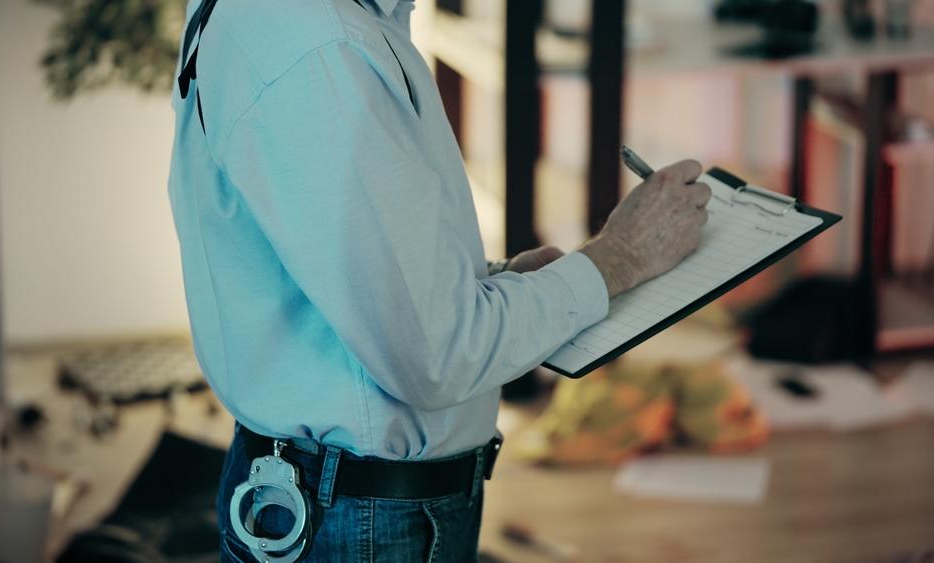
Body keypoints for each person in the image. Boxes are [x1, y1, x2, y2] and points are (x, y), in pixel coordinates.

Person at [167, 0, 711, 561]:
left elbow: (336, 273)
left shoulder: (301, 26)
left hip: (340, 499)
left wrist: (496, 285)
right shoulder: (322, 49)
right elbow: (438, 356)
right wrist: (620, 257)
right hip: (360, 519)